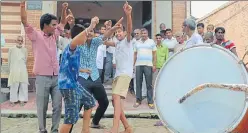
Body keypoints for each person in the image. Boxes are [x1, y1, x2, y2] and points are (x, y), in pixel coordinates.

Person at [21, 1, 70, 132]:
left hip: (56, 77)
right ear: (45, 25)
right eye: (53, 25)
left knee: (58, 106)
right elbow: (24, 21)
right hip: (42, 77)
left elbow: (63, 23)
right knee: (41, 107)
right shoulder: (35, 35)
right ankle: (42, 130)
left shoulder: (55, 35)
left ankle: (54, 130)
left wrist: (64, 9)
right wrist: (22, 5)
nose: (56, 27)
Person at [70, 17, 124, 131]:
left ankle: (94, 122)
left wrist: (113, 28)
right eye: (88, 32)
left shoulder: (95, 42)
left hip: (95, 77)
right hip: (82, 78)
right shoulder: (79, 43)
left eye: (92, 31)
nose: (90, 33)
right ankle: (68, 127)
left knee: (104, 102)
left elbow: (105, 35)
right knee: (78, 105)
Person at [59, 17, 99, 133]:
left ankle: (85, 130)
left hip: (74, 84)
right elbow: (75, 40)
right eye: (85, 36)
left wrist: (82, 70)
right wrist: (90, 27)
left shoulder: (77, 50)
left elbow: (68, 67)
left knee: (90, 101)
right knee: (70, 119)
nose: (87, 38)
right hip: (68, 87)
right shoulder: (72, 46)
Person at [103, 2, 133, 133]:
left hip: (125, 74)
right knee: (116, 104)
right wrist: (110, 28)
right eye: (118, 31)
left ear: (125, 33)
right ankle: (127, 127)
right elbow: (104, 40)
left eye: (121, 31)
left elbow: (130, 29)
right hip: (117, 75)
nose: (119, 33)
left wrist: (128, 14)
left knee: (116, 99)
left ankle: (114, 129)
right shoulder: (116, 42)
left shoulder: (128, 41)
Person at [8, 36, 29, 107]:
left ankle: (22, 99)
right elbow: (9, 60)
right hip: (14, 69)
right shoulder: (11, 49)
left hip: (22, 69)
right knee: (14, 84)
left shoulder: (25, 50)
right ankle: (13, 100)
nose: (20, 42)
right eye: (18, 40)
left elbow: (25, 60)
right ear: (16, 41)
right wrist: (10, 70)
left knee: (23, 84)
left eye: (21, 41)